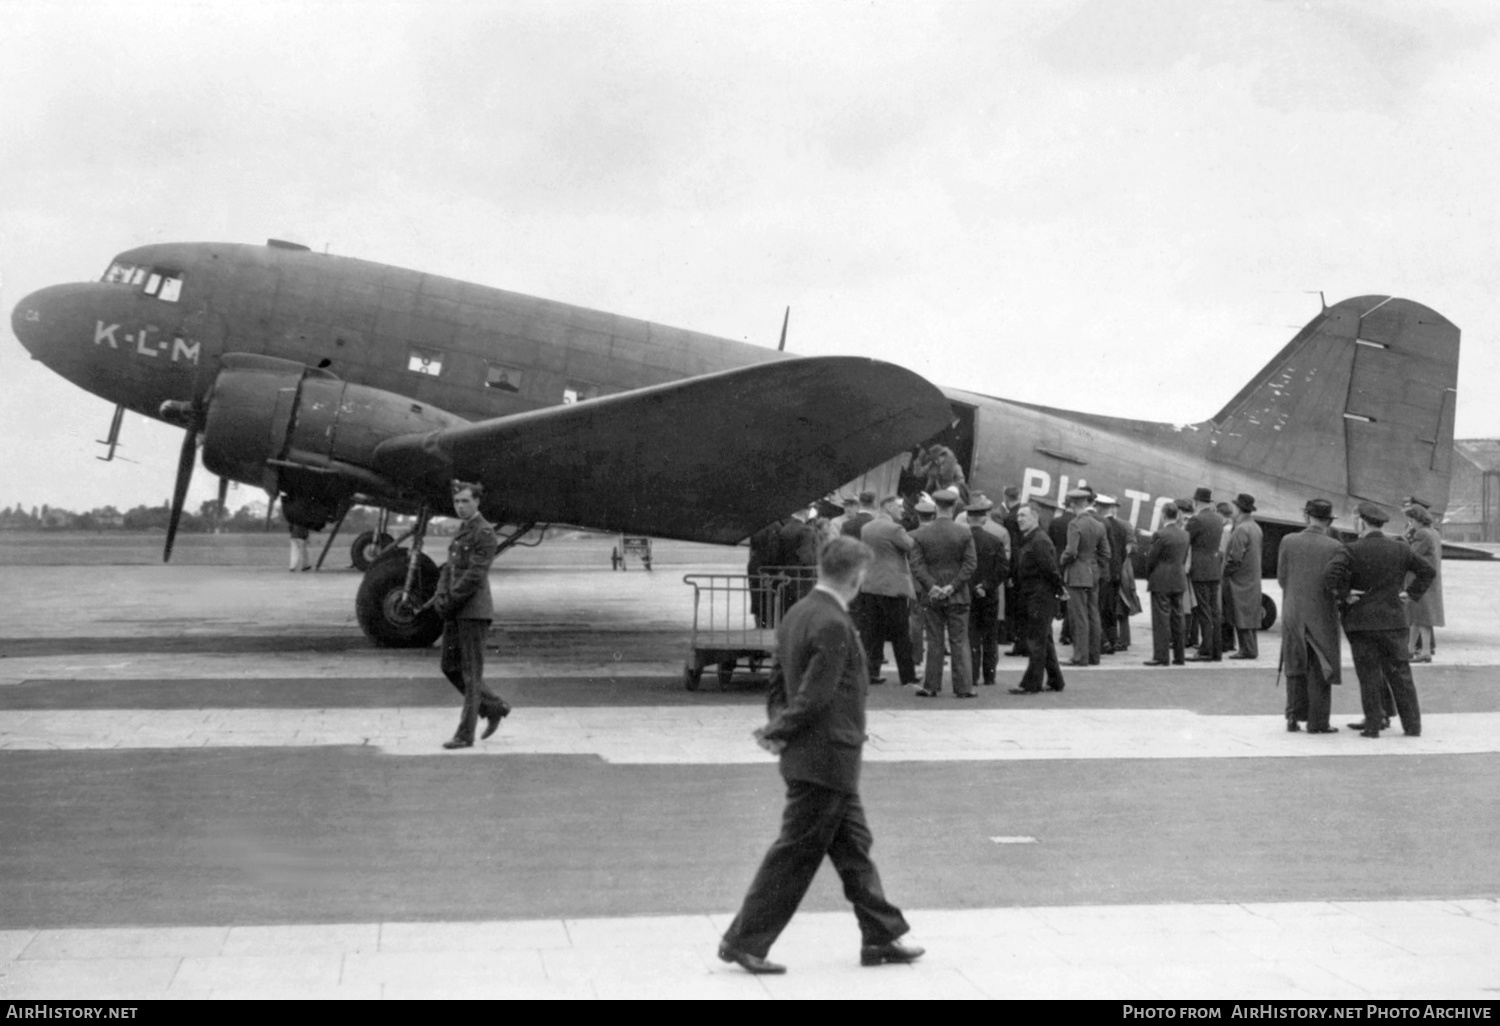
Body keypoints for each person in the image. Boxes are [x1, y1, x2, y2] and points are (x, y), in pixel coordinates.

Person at [718, 536, 923, 975]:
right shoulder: (832, 621)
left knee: (853, 847)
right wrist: (781, 731)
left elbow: (779, 683)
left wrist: (781, 726)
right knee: (794, 855)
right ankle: (744, 941)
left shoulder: (799, 613)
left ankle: (882, 935)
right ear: (856, 575)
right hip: (827, 757)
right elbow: (817, 692)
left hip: (817, 755)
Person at [1325, 501, 1435, 739]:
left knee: (1369, 675)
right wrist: (1411, 594)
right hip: (1394, 620)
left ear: (1361, 521)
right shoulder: (1400, 548)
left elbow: (1330, 574)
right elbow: (1428, 571)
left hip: (1361, 622)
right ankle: (1412, 726)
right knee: (1401, 675)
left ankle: (1373, 725)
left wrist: (1345, 594)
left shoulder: (1351, 549)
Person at [433, 481, 511, 749]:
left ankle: (464, 735)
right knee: (449, 666)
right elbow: (449, 568)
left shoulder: (485, 532)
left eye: (465, 501)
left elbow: (475, 575)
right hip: (456, 609)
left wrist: (451, 600)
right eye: (456, 502)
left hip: (473, 612)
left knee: (471, 674)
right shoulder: (463, 530)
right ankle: (494, 706)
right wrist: (440, 594)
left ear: (478, 502)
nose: (460, 506)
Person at [1277, 498, 1344, 734]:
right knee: (1321, 666)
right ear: (1328, 520)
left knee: (1294, 663)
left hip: (1293, 611)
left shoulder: (1288, 541)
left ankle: (1293, 718)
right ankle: (1318, 722)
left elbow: (1281, 579)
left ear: (1306, 516)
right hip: (1322, 613)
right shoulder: (1334, 546)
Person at [909, 488, 978, 698]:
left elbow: (917, 565)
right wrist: (953, 585)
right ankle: (964, 687)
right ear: (953, 506)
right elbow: (971, 564)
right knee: (959, 640)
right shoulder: (964, 532)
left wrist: (932, 586)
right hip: (958, 595)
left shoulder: (920, 534)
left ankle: (931, 685)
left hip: (932, 595)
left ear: (935, 507)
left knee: (935, 640)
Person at [857, 496, 919, 686]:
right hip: (892, 587)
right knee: (901, 633)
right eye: (899, 507)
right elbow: (910, 545)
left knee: (873, 632)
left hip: (870, 585)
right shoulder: (894, 529)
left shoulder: (866, 528)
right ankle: (907, 676)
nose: (901, 511)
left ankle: (871, 672)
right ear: (889, 507)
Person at [1009, 503, 1066, 694]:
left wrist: (1060, 589)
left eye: (1024, 515)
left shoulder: (1039, 540)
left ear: (1035, 518)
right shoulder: (1031, 539)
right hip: (1035, 595)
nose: (1019, 519)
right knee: (1044, 639)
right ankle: (1056, 680)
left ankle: (1031, 684)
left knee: (1036, 641)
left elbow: (1050, 569)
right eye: (1018, 516)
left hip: (1040, 596)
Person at [1059, 489, 1110, 667]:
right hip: (1093, 572)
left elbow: (1071, 551)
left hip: (1077, 573)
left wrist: (1062, 561)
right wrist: (1095, 565)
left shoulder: (1075, 524)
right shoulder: (1099, 525)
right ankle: (1094, 656)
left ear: (1073, 504)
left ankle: (1080, 656)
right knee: (1093, 614)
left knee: (1079, 616)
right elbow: (1106, 553)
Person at [965, 497, 1007, 686]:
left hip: (968, 593)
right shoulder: (995, 541)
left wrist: (974, 586)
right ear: (983, 520)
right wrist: (987, 585)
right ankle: (989, 675)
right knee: (990, 636)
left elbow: (962, 568)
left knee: (971, 635)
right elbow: (1003, 568)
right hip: (989, 595)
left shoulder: (962, 540)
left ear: (967, 519)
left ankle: (972, 675)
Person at [1142, 503, 1188, 667]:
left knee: (1161, 619)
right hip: (1178, 579)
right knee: (1178, 618)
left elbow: (1151, 560)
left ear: (1163, 515)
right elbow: (1183, 558)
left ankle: (1161, 656)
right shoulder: (1184, 535)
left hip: (1161, 580)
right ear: (1176, 515)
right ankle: (1179, 656)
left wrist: (1150, 576)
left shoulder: (1160, 534)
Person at [1185, 487, 1225, 662]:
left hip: (1199, 569)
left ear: (1196, 502)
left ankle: (1205, 650)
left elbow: (1185, 541)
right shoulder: (1218, 519)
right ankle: (1216, 650)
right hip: (1214, 569)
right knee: (1214, 611)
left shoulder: (1196, 520)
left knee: (1203, 611)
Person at [1223, 493, 1264, 659]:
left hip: (1240, 579)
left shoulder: (1241, 529)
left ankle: (1247, 650)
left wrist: (1225, 573)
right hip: (1252, 578)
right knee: (1249, 615)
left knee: (1241, 615)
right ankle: (1251, 648)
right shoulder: (1255, 527)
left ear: (1238, 509)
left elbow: (1234, 558)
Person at [1403, 502, 1444, 662]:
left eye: (1411, 520)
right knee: (1419, 616)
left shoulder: (1421, 534)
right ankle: (1410, 649)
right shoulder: (1434, 533)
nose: (1410, 523)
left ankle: (1424, 651)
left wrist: (1404, 537)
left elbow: (1410, 555)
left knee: (1421, 617)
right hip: (1431, 581)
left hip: (1419, 581)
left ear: (1417, 519)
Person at [1095, 495, 1135, 654]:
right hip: (1116, 574)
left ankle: (1102, 642)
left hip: (1103, 573)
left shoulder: (1100, 524)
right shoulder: (1122, 526)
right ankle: (1112, 640)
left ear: (1098, 507)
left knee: (1099, 608)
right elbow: (1124, 553)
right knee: (1111, 609)